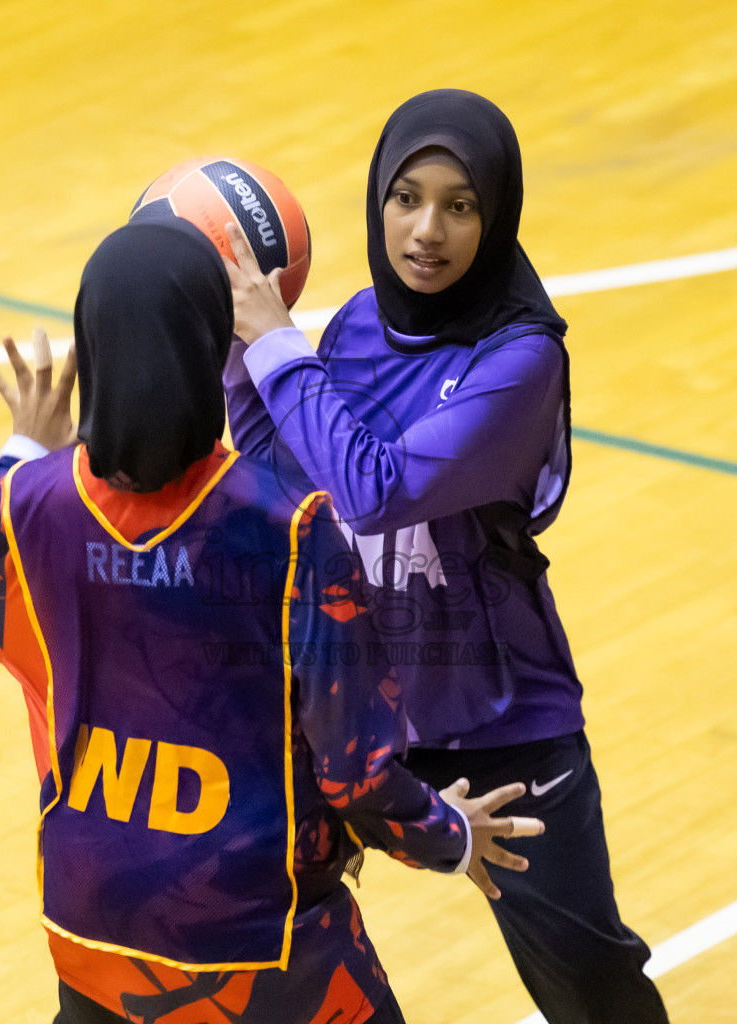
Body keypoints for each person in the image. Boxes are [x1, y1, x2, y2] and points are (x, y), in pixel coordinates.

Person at [0, 218, 542, 1024]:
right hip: (259, 950)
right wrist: (452, 837)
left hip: (94, 937)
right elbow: (352, 775)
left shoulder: (31, 504)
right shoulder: (287, 527)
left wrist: (19, 451)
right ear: (205, 347)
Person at [221, 89, 669, 1023]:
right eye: (406, 198)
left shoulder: (522, 359)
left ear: (496, 215)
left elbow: (380, 488)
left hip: (504, 728)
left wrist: (277, 351)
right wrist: (233, 344)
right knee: (251, 928)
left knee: (590, 988)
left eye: (460, 205)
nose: (427, 230)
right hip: (360, 710)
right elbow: (283, 472)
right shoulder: (346, 328)